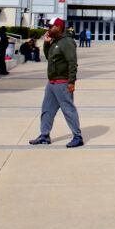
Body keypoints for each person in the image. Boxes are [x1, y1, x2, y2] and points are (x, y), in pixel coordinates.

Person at [29, 17, 83, 147]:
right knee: (47, 109)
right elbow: (49, 57)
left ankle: (77, 136)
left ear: (58, 27)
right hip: (52, 83)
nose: (48, 29)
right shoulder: (55, 41)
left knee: (68, 110)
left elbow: (72, 63)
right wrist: (47, 43)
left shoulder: (67, 42)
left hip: (63, 82)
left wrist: (71, 82)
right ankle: (44, 135)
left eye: (51, 26)